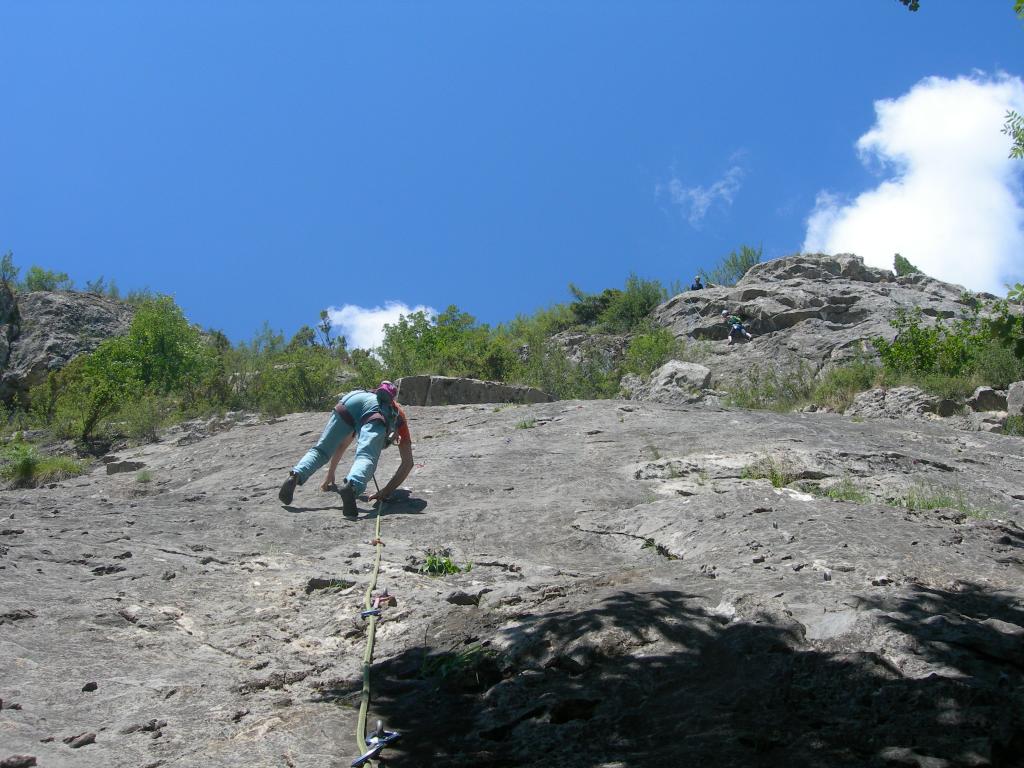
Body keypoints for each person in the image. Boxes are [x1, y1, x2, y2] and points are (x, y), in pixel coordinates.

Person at [277, 381, 409, 517]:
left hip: (349, 402)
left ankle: (296, 474)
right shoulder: (395, 414)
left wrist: (330, 473)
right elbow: (408, 463)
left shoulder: (368, 395)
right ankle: (352, 486)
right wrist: (385, 492)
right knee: (366, 457)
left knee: (321, 450)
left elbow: (341, 445)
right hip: (375, 417)